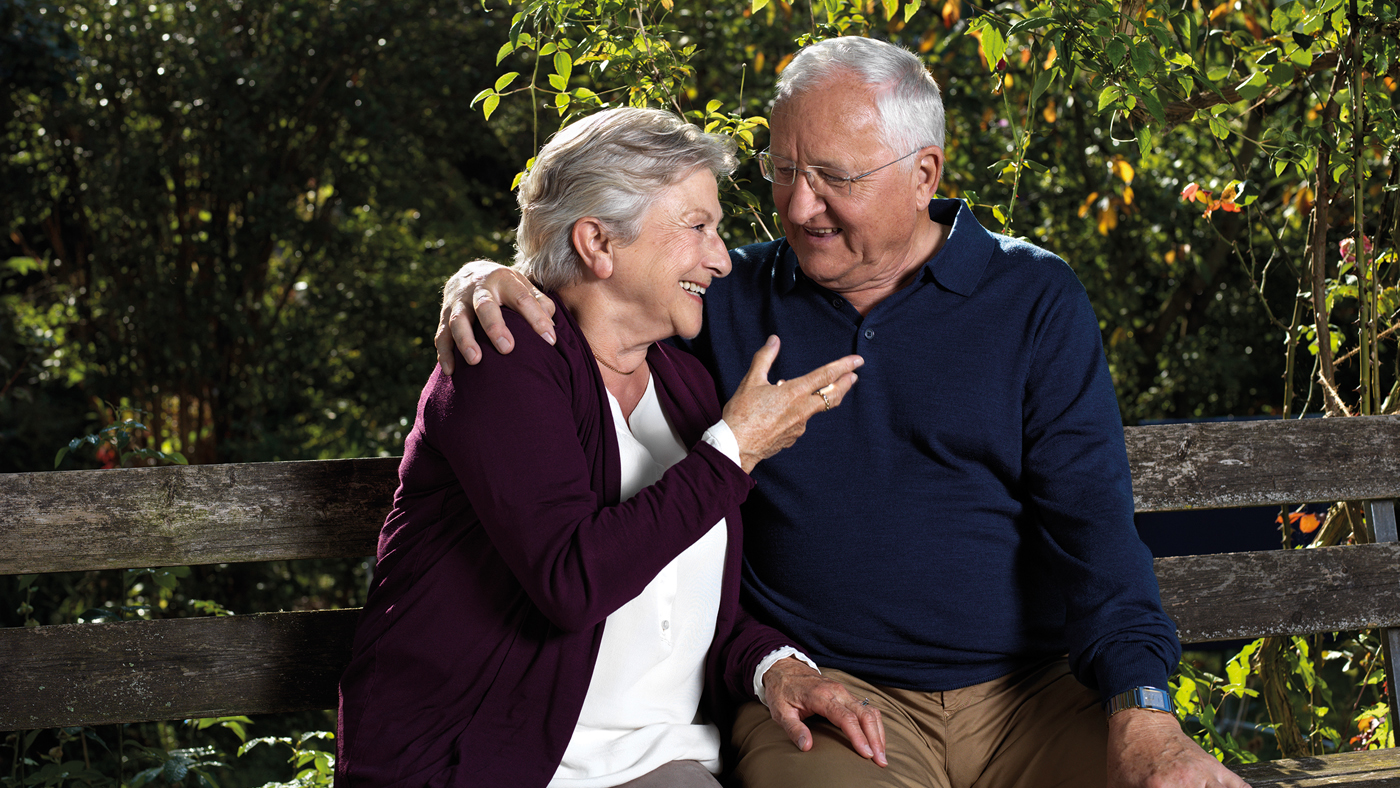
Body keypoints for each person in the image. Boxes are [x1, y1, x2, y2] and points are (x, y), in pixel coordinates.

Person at [434, 38, 1249, 788]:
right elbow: (595, 291)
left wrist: (1144, 709)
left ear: (925, 174)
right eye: (783, 172)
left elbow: (1097, 533)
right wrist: (482, 277)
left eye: (834, 177)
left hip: (1030, 694)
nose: (797, 207)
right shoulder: (725, 296)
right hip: (827, 698)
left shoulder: (1033, 299)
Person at [335, 107, 879, 788]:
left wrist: (777, 670)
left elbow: (686, 601)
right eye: (698, 227)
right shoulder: (502, 355)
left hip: (663, 762)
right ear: (597, 242)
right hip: (494, 763)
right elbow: (572, 581)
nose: (719, 258)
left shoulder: (683, 384)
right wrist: (732, 452)